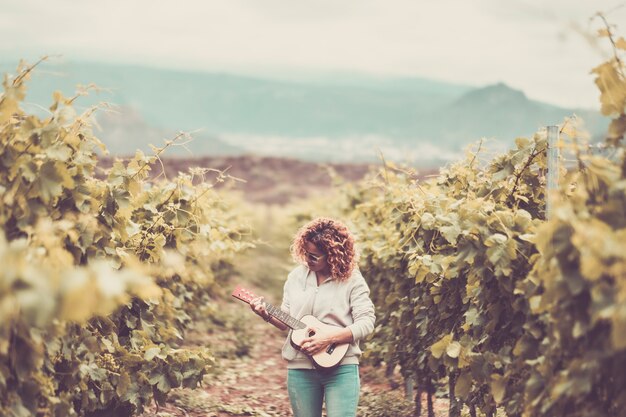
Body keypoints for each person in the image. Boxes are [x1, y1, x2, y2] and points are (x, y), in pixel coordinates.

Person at [250, 217, 376, 417]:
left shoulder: (352, 280)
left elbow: (367, 322)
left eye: (315, 256)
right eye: (306, 253)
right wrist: (266, 314)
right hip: (300, 368)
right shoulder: (295, 278)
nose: (308, 259)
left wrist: (329, 338)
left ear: (333, 255)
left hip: (342, 368)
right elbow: (286, 321)